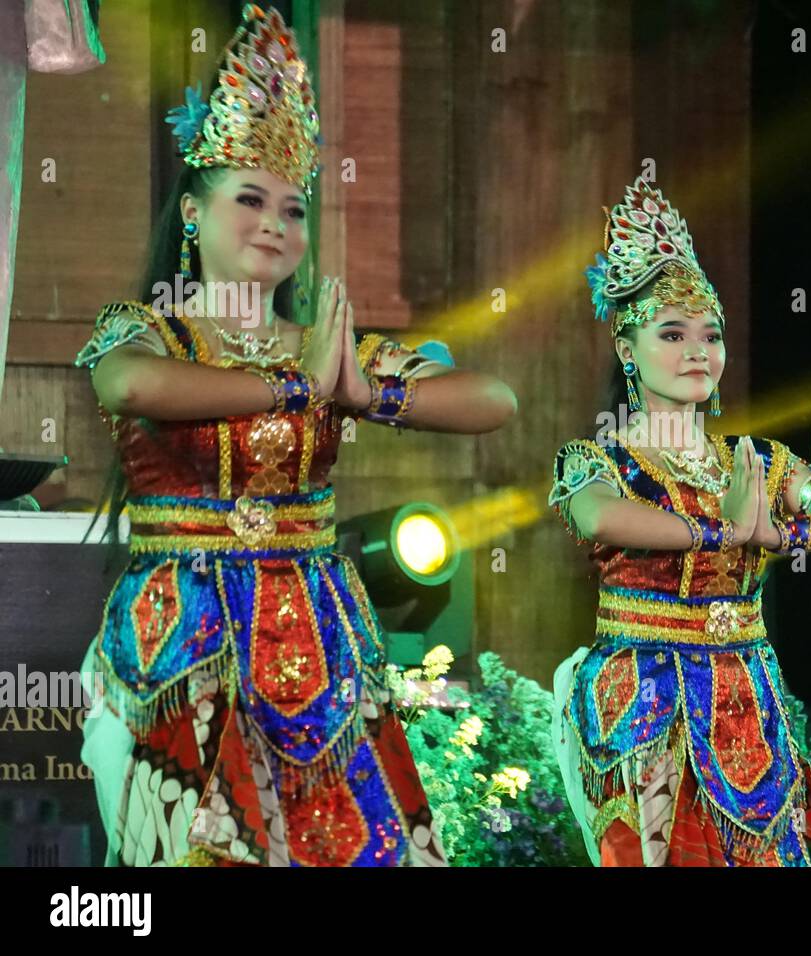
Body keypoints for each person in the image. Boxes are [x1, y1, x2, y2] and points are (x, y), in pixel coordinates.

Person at [72, 4, 516, 866]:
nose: (275, 222)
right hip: (186, 640)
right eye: (249, 199)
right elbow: (127, 383)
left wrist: (359, 391)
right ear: (193, 214)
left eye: (294, 207)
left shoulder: (328, 345)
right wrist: (292, 385)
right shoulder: (147, 329)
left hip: (316, 640)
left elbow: (491, 398)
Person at [548, 175, 811, 866]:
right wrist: (722, 533)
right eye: (672, 334)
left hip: (744, 696)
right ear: (628, 350)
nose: (697, 350)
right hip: (643, 696)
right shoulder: (595, 458)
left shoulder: (758, 461)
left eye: (711, 334)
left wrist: (783, 534)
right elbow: (601, 519)